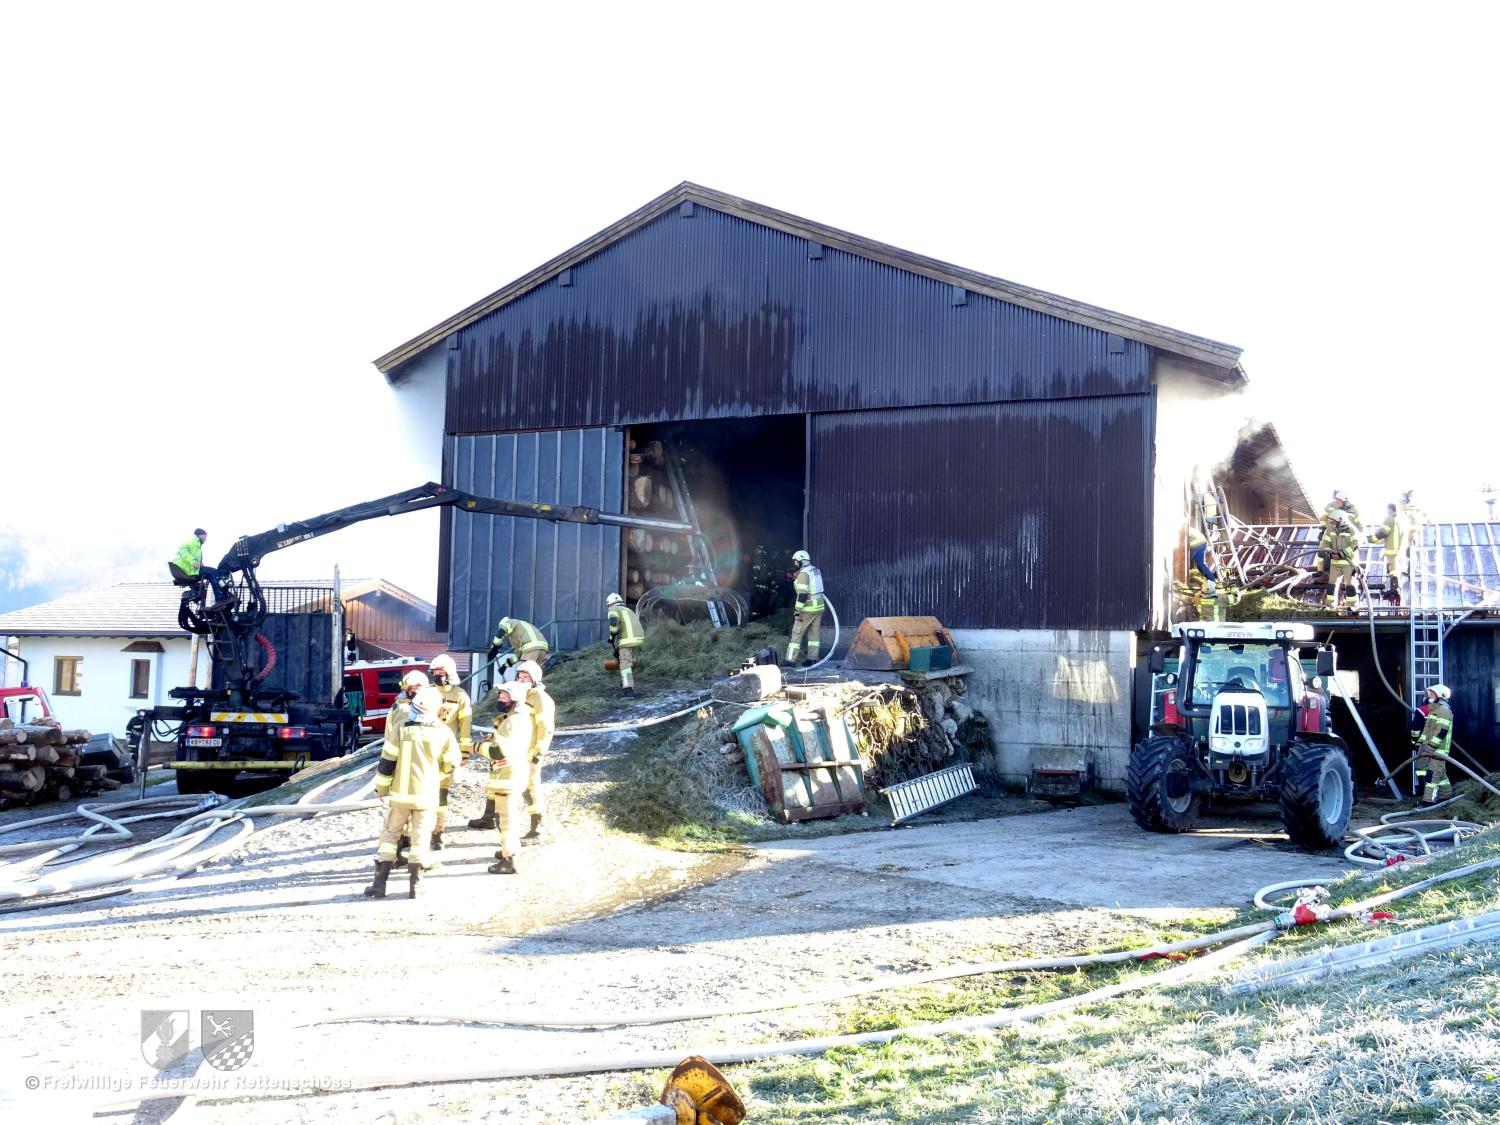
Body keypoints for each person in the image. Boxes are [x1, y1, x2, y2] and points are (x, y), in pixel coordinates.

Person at [366, 685, 460, 900]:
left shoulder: (402, 727)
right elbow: (451, 763)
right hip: (426, 796)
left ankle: (379, 885)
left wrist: (381, 788)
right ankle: (415, 886)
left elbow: (387, 761)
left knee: (389, 836)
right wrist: (438, 774)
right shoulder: (443, 731)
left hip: (400, 796)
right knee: (421, 839)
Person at [478, 682, 535, 874]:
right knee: (507, 817)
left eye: (505, 696)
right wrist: (493, 739)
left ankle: (509, 860)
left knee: (506, 820)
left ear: (515, 700)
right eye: (500, 695)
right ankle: (507, 851)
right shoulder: (520, 719)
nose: (500, 699)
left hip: (507, 776)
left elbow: (498, 752)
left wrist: (477, 747)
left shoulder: (510, 722)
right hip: (515, 774)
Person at [382, 668, 427, 869]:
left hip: (401, 765)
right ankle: (398, 854)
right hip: (406, 767)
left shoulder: (399, 706)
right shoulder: (406, 711)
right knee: (400, 815)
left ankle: (399, 849)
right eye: (414, 687)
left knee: (400, 813)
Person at [426, 654, 471, 853]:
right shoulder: (426, 692)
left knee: (442, 793)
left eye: (441, 672)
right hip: (425, 751)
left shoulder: (460, 696)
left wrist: (465, 752)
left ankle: (437, 832)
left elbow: (465, 726)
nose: (437, 675)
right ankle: (412, 833)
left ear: (450, 674)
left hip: (445, 753)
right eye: (434, 672)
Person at [514, 659, 554, 843]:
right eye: (520, 677)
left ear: (535, 678)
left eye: (526, 677)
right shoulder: (520, 696)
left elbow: (546, 729)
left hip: (530, 752)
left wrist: (537, 755)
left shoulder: (541, 698)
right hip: (517, 749)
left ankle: (537, 830)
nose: (522, 680)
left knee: (531, 786)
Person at [167, 528, 235, 609]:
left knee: (214, 571)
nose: (205, 540)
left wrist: (199, 563)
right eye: (205, 537)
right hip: (187, 570)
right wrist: (193, 561)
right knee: (212, 573)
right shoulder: (191, 540)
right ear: (201, 535)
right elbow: (183, 551)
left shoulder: (196, 543)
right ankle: (220, 598)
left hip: (190, 569)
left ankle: (222, 595)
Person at [1413, 684, 1455, 807]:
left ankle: (1428, 801)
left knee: (1432, 775)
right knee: (1441, 773)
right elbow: (1426, 730)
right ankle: (1445, 796)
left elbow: (1442, 731)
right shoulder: (1434, 710)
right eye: (1429, 693)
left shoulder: (1444, 710)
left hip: (1439, 749)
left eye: (1432, 693)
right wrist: (1420, 744)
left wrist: (1431, 746)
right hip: (1429, 748)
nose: (1429, 696)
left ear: (1440, 695)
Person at [785, 550, 826, 667]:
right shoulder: (815, 570)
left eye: (796, 561)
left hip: (808, 609)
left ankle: (790, 660)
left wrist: (797, 610)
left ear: (802, 561)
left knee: (796, 633)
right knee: (814, 634)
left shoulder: (803, 574)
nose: (795, 564)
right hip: (819, 607)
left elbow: (802, 595)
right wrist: (795, 576)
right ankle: (812, 658)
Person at [1370, 502, 1410, 605]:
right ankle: (1396, 588)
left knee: (1393, 570)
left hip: (1391, 549)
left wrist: (1372, 539)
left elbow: (1383, 533)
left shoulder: (1390, 519)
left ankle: (1394, 588)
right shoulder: (1401, 521)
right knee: (1394, 569)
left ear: (1390, 509)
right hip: (1399, 549)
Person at [606, 592, 645, 697]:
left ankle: (628, 690)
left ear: (610, 603)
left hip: (627, 640)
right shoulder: (627, 610)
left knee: (625, 665)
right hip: (638, 638)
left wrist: (612, 636)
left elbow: (613, 624)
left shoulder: (613, 609)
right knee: (629, 661)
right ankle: (624, 680)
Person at [1324, 511, 1360, 609]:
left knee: (1350, 585)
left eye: (1333, 521)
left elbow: (1355, 544)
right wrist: (1330, 554)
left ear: (1341, 520)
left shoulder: (1351, 529)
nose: (1331, 523)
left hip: (1349, 563)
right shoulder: (1330, 529)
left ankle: (1352, 605)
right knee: (1331, 584)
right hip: (1334, 563)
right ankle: (1330, 605)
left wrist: (1341, 554)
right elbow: (1325, 544)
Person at [1187, 527, 1218, 595]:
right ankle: (1212, 580)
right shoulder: (1186, 526)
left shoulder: (1181, 527)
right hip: (1202, 542)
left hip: (1197, 544)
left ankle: (1212, 580)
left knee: (1185, 561)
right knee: (1200, 564)